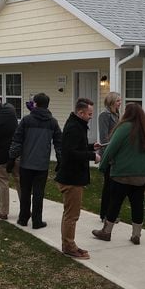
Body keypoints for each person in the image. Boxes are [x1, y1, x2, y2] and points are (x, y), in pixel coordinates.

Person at [92, 102, 145, 245]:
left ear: (127, 113)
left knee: (115, 203)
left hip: (122, 174)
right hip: (141, 174)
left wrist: (103, 166)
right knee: (138, 204)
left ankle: (106, 232)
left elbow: (111, 148)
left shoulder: (124, 127)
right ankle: (136, 235)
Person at [55, 98, 100, 259]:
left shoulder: (76, 125)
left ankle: (69, 244)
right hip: (71, 178)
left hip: (73, 176)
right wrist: (92, 155)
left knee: (70, 214)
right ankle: (69, 247)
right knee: (72, 215)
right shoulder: (74, 127)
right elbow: (71, 153)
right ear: (80, 113)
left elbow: (75, 147)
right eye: (89, 114)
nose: (90, 116)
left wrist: (90, 146)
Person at [8, 92, 62, 229]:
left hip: (26, 163)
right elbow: (59, 143)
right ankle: (37, 221)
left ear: (35, 104)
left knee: (25, 192)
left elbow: (17, 141)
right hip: (42, 164)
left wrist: (12, 158)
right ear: (47, 105)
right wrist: (60, 160)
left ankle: (23, 218)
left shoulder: (26, 120)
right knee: (38, 194)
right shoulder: (52, 122)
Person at [97, 92, 121, 222]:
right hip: (108, 155)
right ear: (111, 102)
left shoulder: (116, 114)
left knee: (115, 187)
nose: (120, 103)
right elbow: (104, 138)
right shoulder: (104, 115)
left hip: (116, 155)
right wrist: (109, 155)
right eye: (118, 101)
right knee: (108, 186)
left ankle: (111, 214)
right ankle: (104, 214)